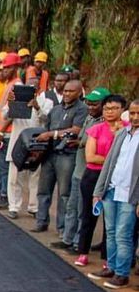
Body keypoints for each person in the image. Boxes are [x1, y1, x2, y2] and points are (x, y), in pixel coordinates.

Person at [50, 87, 109, 252]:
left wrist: (81, 143)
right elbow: (83, 138)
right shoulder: (89, 118)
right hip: (79, 168)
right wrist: (77, 143)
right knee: (72, 205)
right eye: (89, 103)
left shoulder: (105, 124)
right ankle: (67, 238)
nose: (90, 107)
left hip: (91, 171)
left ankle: (79, 243)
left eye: (95, 104)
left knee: (84, 210)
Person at [89, 99, 139, 289]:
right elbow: (109, 163)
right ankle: (110, 266)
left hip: (130, 195)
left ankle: (122, 273)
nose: (135, 117)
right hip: (112, 190)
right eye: (132, 113)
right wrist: (99, 191)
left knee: (123, 234)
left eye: (138, 114)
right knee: (110, 231)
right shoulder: (122, 134)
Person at [73, 94, 127, 267]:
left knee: (110, 220)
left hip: (117, 178)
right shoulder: (96, 128)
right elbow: (90, 157)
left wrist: (107, 159)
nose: (110, 112)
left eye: (114, 108)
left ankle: (107, 257)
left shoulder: (127, 130)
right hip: (93, 176)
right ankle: (83, 252)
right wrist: (114, 160)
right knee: (89, 215)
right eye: (107, 108)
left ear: (122, 110)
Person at [31, 80, 88, 233]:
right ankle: (41, 221)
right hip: (50, 154)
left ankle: (62, 228)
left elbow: (76, 130)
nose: (67, 93)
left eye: (71, 91)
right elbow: (46, 127)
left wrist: (51, 134)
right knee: (43, 190)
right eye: (65, 91)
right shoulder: (56, 110)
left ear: (79, 92)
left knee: (64, 193)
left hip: (67, 155)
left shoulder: (82, 109)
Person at [0, 53, 22, 211]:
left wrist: (1, 132)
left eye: (8, 68)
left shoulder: (16, 86)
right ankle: (1, 191)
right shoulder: (10, 84)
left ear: (16, 68)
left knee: (4, 166)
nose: (5, 71)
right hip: (1, 131)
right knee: (1, 165)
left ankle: (5, 196)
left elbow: (13, 112)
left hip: (7, 132)